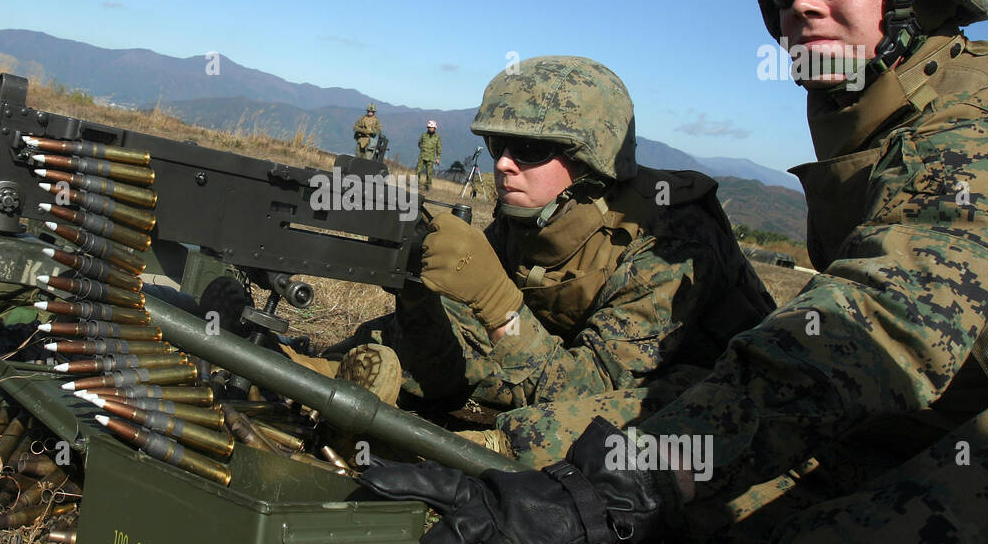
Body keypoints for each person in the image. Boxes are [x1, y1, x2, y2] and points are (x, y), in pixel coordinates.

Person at [361, 0, 988, 544]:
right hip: (886, 435)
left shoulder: (987, 136)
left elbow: (880, 325)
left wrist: (609, 487)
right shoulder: (881, 128)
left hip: (969, 459)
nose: (802, 4)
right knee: (668, 440)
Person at [323, 55, 774, 441]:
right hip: (565, 361)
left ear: (589, 160)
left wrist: (497, 303)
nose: (504, 163)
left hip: (708, 416)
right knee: (447, 319)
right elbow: (486, 330)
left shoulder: (667, 240)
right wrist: (417, 288)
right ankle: (322, 375)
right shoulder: (534, 213)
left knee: (652, 409)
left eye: (529, 148)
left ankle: (479, 455)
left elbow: (591, 394)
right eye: (498, 144)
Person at [416, 121, 442, 190]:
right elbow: (419, 143)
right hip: (422, 156)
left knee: (429, 173)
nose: (430, 129)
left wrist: (438, 157)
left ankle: (428, 186)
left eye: (432, 127)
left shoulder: (437, 137)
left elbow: (439, 148)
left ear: (435, 128)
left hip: (431, 158)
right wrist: (423, 149)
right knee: (418, 171)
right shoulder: (424, 135)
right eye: (429, 127)